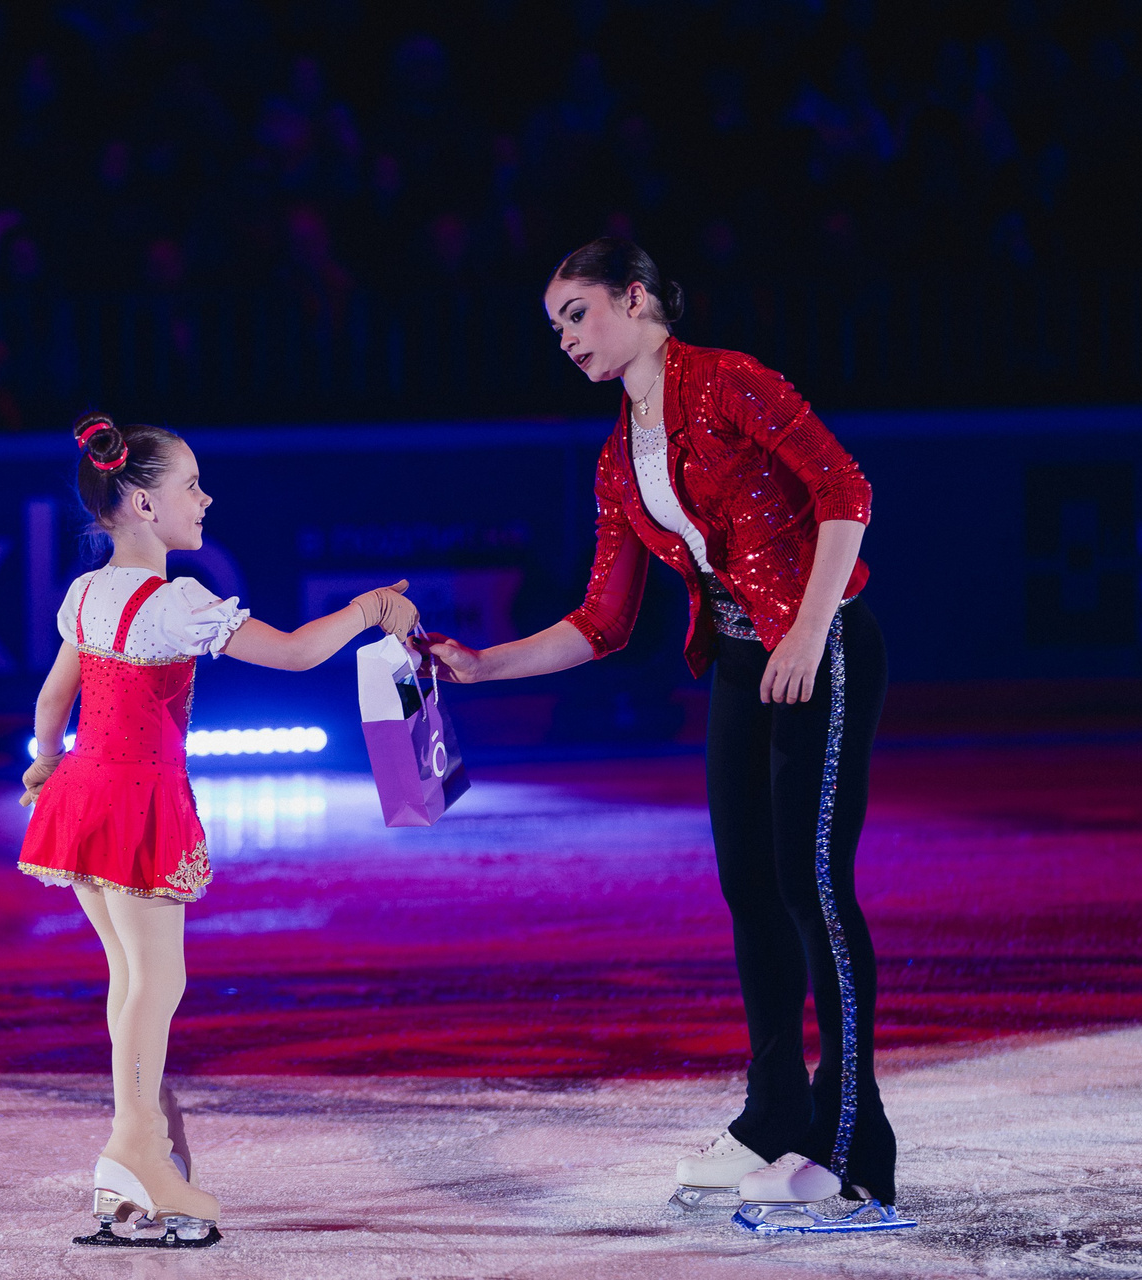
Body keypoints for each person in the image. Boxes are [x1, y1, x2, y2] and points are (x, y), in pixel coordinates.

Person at [423, 239, 912, 1233]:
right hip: (740, 659)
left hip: (822, 647)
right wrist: (482, 665)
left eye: (577, 313)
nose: (565, 338)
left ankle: (856, 1149)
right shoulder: (619, 455)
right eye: (554, 326)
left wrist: (808, 629)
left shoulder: (728, 382)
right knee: (750, 889)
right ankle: (774, 1118)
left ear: (636, 298)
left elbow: (845, 490)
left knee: (812, 885)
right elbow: (604, 621)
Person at [19, 414, 418, 1247]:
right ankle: (134, 1151)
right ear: (142, 503)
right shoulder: (176, 603)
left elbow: (54, 698)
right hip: (135, 802)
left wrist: (45, 765)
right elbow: (298, 653)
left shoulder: (85, 594)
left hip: (82, 795)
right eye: (191, 485)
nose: (206, 499)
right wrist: (370, 608)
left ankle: (135, 1158)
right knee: (155, 983)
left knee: (132, 980)